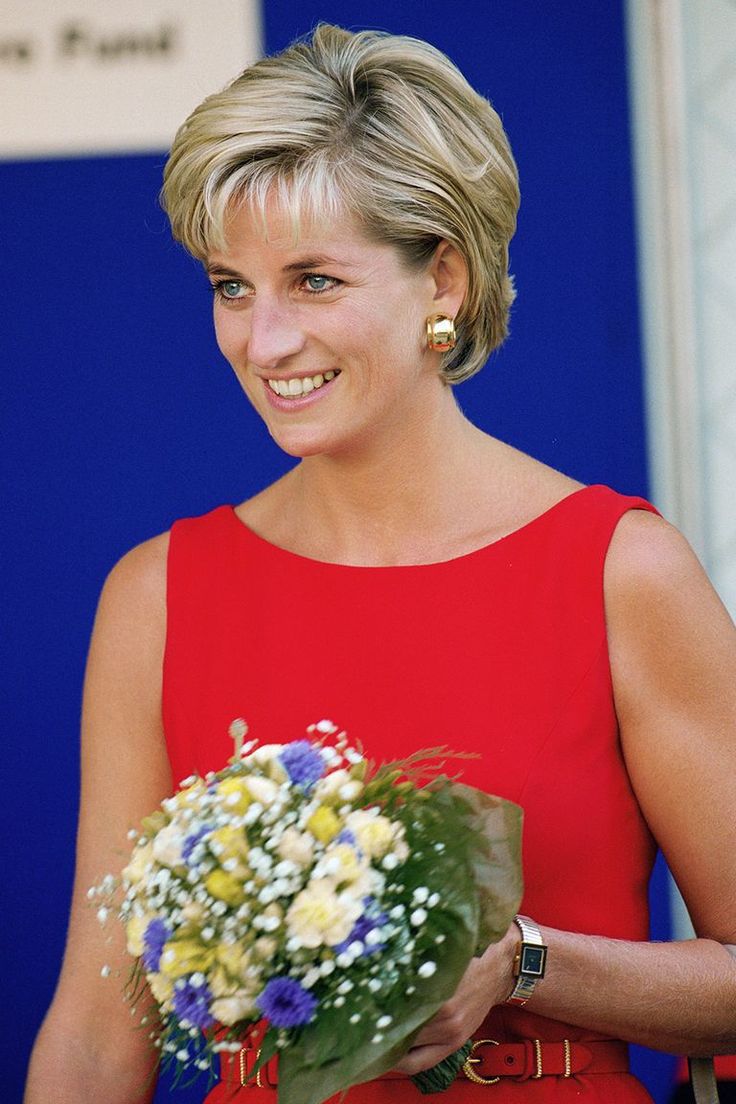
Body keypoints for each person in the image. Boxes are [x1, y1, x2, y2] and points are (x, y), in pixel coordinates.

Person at [24, 23, 736, 1104]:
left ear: (441, 279)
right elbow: (93, 1026)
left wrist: (525, 961)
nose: (262, 342)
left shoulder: (618, 571)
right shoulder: (157, 595)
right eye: (230, 286)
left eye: (312, 281)